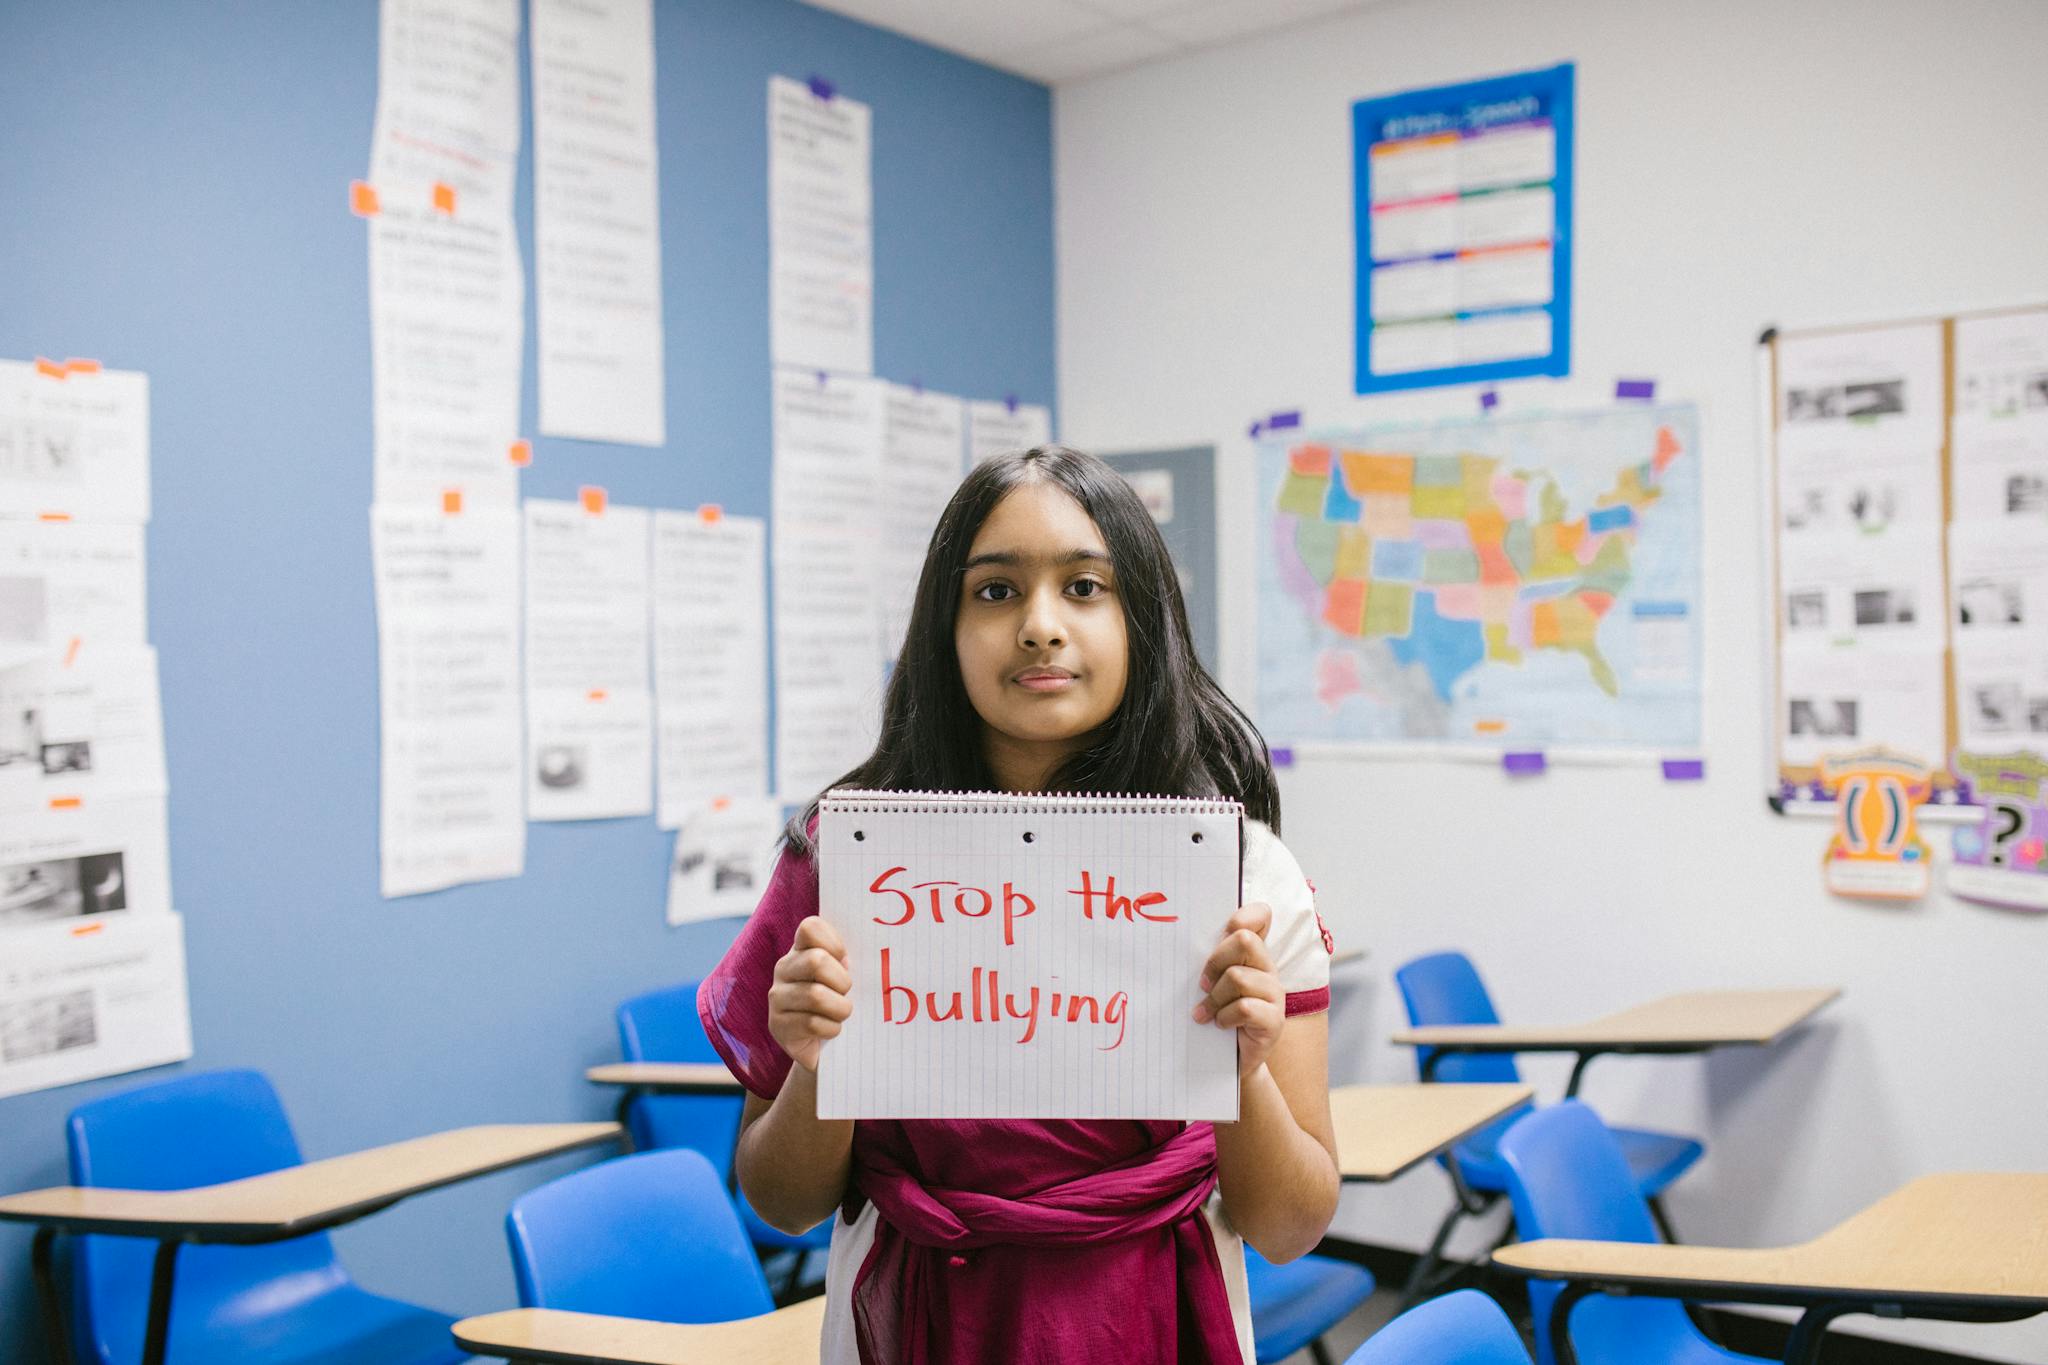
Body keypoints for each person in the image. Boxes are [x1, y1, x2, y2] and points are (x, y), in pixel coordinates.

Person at [700, 445, 1338, 1363]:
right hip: (912, 1319)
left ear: (1144, 621)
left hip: (1155, 1320)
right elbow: (782, 1200)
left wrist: (1244, 1069)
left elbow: (1291, 1225)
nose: (1041, 625)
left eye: (1085, 586)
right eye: (996, 592)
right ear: (944, 625)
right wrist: (817, 1067)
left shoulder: (1244, 877)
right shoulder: (846, 858)